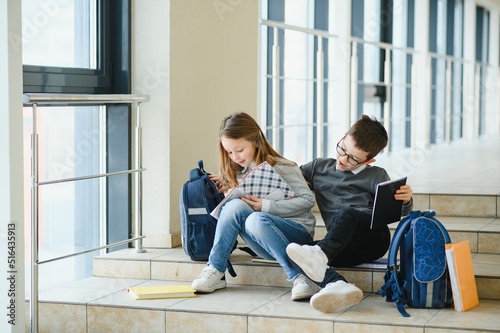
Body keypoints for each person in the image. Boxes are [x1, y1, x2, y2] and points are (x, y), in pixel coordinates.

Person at [286, 114, 414, 313]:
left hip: (372, 239)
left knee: (347, 213)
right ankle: (337, 284)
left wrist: (405, 200)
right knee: (294, 251)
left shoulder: (376, 175)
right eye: (343, 149)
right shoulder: (319, 167)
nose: (343, 159)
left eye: (353, 158)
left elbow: (396, 212)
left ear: (369, 159)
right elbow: (287, 177)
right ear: (344, 137)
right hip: (340, 245)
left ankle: (320, 255)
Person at [191, 112, 319, 301]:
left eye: (240, 150)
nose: (235, 157)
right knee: (235, 205)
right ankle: (215, 268)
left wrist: (266, 206)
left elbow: (308, 200)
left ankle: (300, 277)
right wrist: (230, 188)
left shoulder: (283, 166)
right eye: (229, 152)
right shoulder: (240, 173)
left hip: (296, 235)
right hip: (264, 244)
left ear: (256, 141)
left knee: (256, 217)